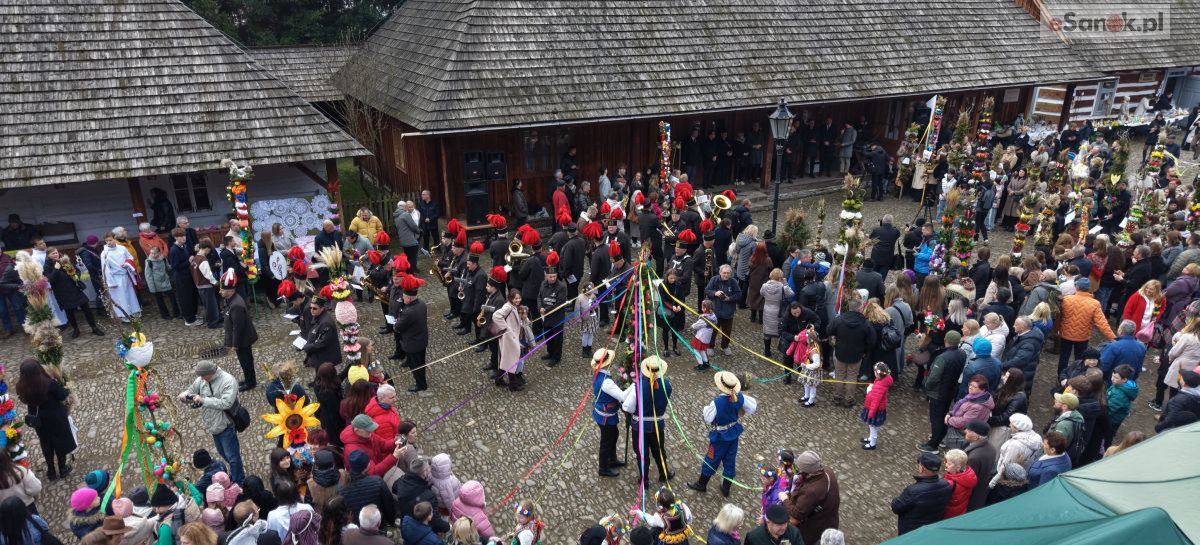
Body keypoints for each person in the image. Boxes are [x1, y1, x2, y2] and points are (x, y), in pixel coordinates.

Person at [686, 372, 758, 497]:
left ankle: (702, 484)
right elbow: (752, 407)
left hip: (719, 436)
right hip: (733, 434)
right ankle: (726, 488)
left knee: (711, 458)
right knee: (730, 459)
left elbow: (708, 417)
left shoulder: (717, 402)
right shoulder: (740, 397)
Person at [178, 361, 244, 484]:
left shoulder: (228, 381)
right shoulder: (202, 380)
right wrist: (184, 396)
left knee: (232, 456)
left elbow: (227, 403)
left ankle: (238, 481)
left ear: (211, 373)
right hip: (213, 425)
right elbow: (192, 391)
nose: (201, 379)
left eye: (203, 376)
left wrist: (204, 400)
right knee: (223, 452)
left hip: (226, 424)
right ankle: (236, 473)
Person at [14, 359, 74, 481]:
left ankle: (51, 470)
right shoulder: (49, 384)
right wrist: (65, 387)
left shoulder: (21, 387)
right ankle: (62, 468)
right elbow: (62, 395)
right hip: (56, 418)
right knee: (59, 441)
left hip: (39, 421)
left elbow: (24, 400)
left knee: (46, 443)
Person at [622, 356, 674, 487]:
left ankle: (644, 479)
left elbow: (627, 407)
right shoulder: (667, 385)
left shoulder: (637, 387)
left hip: (639, 427)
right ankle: (664, 473)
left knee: (642, 453)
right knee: (659, 450)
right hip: (657, 426)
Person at [919, 331, 967, 452]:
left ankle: (933, 444)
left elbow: (933, 378)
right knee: (943, 415)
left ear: (945, 340)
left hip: (938, 393)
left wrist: (926, 385)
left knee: (936, 418)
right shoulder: (962, 353)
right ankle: (940, 437)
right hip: (950, 390)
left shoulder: (943, 357)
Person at [42, 247, 104, 338]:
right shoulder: (47, 266)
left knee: (86, 308)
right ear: (48, 256)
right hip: (62, 292)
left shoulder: (64, 260)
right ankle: (75, 329)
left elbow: (77, 270)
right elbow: (51, 280)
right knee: (69, 312)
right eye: (53, 254)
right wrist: (56, 269)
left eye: (56, 252)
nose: (56, 255)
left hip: (74, 289)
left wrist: (76, 275)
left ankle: (94, 327)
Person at [1058, 278, 1115, 375]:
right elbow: (1102, 323)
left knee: (1064, 356)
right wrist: (1113, 338)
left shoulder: (1066, 299)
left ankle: (1061, 376)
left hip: (1065, 334)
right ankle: (1078, 377)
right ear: (1089, 289)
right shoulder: (1094, 304)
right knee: (1080, 359)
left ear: (1077, 287)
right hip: (1082, 337)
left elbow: (1059, 316)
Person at [829, 291, 876, 406]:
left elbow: (829, 330)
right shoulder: (865, 323)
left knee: (839, 374)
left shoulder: (839, 319)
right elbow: (872, 340)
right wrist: (865, 351)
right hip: (856, 354)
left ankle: (837, 397)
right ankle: (848, 399)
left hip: (840, 352)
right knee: (852, 376)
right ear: (860, 308)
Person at [783, 450, 840, 544]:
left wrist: (785, 499)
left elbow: (796, 514)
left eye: (799, 469)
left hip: (814, 529)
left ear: (806, 471)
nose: (797, 471)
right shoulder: (828, 471)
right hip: (830, 521)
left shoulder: (811, 491)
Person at [588, 349, 628, 478]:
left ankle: (612, 459)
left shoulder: (600, 374)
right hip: (605, 416)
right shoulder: (606, 381)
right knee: (606, 441)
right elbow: (622, 396)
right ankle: (603, 467)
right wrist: (634, 387)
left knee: (614, 434)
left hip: (603, 413)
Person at [891, 452, 952, 535]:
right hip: (932, 529)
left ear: (922, 469)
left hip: (911, 532)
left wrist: (895, 500)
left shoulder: (913, 491)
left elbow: (896, 507)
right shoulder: (946, 485)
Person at [219, 270, 258, 391]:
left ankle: (250, 382)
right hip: (242, 339)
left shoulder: (236, 304)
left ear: (230, 290)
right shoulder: (232, 299)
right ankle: (248, 379)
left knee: (246, 362)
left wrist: (235, 344)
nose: (220, 291)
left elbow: (238, 327)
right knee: (244, 361)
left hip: (243, 340)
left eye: (222, 289)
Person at [338, 450, 396, 531]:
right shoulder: (377, 482)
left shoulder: (340, 488)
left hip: (354, 529)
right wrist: (391, 521)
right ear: (367, 466)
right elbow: (388, 504)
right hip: (376, 526)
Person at [392, 274, 430, 392]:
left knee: (417, 366)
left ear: (409, 298)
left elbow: (397, 327)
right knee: (420, 361)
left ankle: (421, 384)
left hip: (412, 343)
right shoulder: (422, 303)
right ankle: (410, 364)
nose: (403, 299)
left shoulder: (408, 312)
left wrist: (396, 322)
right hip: (421, 339)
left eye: (404, 297)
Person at [393, 458, 450, 534]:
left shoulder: (401, 481)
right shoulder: (429, 497)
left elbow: (394, 488)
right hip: (422, 528)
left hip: (406, 519)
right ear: (424, 473)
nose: (430, 470)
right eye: (428, 469)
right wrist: (448, 527)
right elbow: (433, 520)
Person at [100, 231, 142, 322]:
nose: (108, 242)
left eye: (110, 240)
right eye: (106, 241)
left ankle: (134, 311)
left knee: (130, 294)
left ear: (114, 239)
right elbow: (105, 269)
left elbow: (130, 257)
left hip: (126, 275)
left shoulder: (122, 248)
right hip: (116, 278)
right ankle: (124, 315)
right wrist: (111, 282)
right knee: (120, 297)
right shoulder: (104, 254)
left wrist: (127, 263)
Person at [492, 289, 529, 390]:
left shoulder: (514, 306)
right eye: (516, 298)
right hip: (509, 338)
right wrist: (507, 328)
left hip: (512, 337)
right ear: (511, 298)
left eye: (519, 298)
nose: (518, 300)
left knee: (507, 359)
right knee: (511, 360)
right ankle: (513, 385)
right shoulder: (508, 307)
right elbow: (496, 316)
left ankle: (499, 380)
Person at [705, 265, 741, 356]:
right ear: (720, 272)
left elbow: (739, 294)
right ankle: (710, 346)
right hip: (715, 311)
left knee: (727, 331)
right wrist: (715, 293)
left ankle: (725, 346)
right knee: (712, 330)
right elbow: (707, 290)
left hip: (728, 312)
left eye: (728, 273)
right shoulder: (714, 279)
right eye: (724, 273)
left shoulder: (733, 282)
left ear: (730, 273)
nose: (726, 275)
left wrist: (729, 298)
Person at [302, 294, 341, 368]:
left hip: (325, 359)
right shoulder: (317, 316)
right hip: (319, 357)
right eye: (310, 307)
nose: (311, 310)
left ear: (322, 309)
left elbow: (322, 343)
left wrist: (308, 347)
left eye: (315, 308)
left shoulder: (326, 323)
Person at [861, 362, 893, 450]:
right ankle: (870, 438)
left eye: (875, 372)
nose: (874, 373)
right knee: (871, 426)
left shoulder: (879, 385)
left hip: (875, 410)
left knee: (873, 427)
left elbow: (875, 401)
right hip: (875, 409)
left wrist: (869, 391)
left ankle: (872, 443)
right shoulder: (882, 381)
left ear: (879, 374)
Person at [941, 449, 976, 520]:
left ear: (958, 468)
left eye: (949, 464)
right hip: (960, 510)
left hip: (949, 513)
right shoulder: (969, 475)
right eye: (946, 461)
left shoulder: (951, 483)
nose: (946, 464)